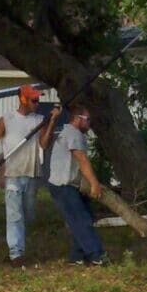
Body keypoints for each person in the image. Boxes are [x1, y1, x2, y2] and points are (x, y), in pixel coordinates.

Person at [0, 83, 49, 264]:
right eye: (34, 100)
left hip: (32, 174)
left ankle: (21, 248)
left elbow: (44, 144)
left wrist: (53, 121)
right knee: (14, 215)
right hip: (13, 175)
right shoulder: (7, 119)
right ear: (23, 100)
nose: (37, 103)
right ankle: (16, 253)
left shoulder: (39, 120)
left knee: (28, 215)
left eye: (38, 99)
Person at [45, 102, 107, 266]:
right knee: (81, 220)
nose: (89, 123)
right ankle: (97, 255)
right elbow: (82, 160)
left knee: (85, 216)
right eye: (88, 119)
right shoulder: (73, 134)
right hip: (62, 186)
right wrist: (94, 184)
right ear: (78, 119)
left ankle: (77, 256)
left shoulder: (71, 133)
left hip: (70, 184)